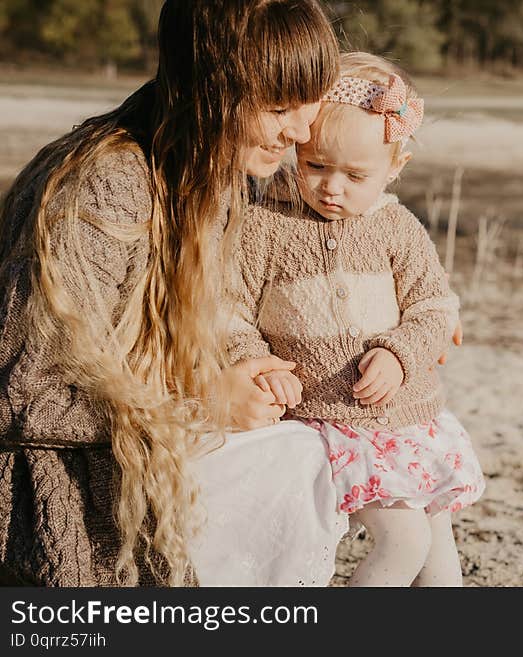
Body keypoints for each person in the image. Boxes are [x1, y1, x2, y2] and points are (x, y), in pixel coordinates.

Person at [0, 0, 345, 586]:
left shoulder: (215, 172)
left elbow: (206, 310)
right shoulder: (103, 189)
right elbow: (18, 392)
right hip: (59, 479)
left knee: (308, 454)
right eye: (279, 106)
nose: (302, 131)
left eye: (308, 102)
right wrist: (201, 402)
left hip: (146, 446)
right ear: (210, 92)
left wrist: (241, 362)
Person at [228, 52, 485, 587]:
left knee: (442, 568)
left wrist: (400, 352)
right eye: (316, 166)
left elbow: (434, 305)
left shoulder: (397, 228)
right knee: (402, 539)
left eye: (355, 174)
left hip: (405, 420)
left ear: (396, 168)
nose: (332, 188)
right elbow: (227, 309)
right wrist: (255, 362)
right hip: (323, 424)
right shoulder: (263, 226)